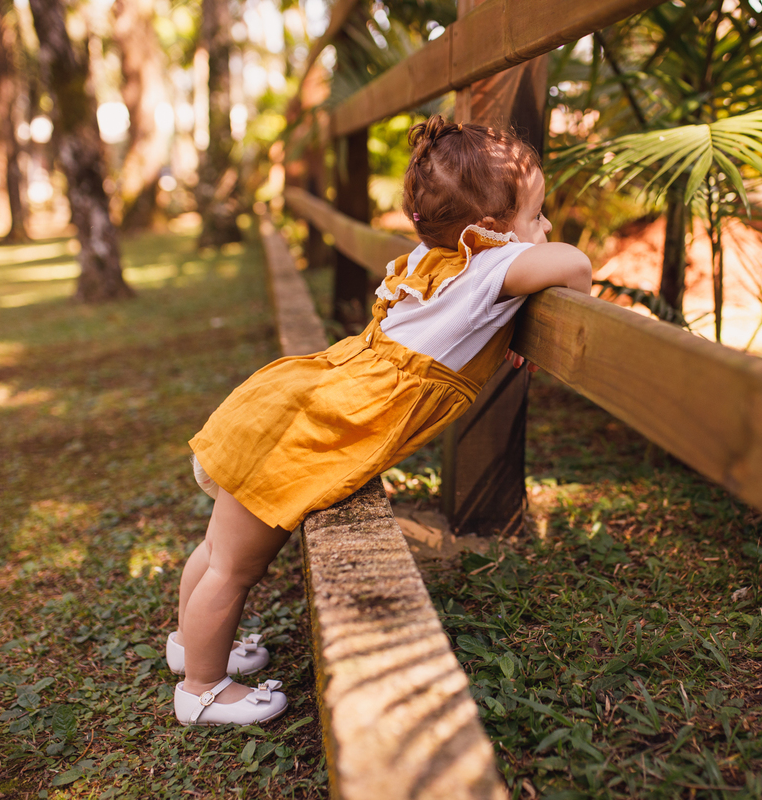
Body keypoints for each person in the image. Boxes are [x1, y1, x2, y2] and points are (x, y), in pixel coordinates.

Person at [167, 115, 592, 725]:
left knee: (216, 550)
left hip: (300, 401)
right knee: (234, 567)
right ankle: (201, 689)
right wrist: (536, 266)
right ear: (491, 230)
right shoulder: (491, 269)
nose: (545, 228)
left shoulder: (434, 258)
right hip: (311, 428)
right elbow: (573, 265)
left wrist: (504, 329)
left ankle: (190, 647)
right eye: (537, 214)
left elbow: (481, 313)